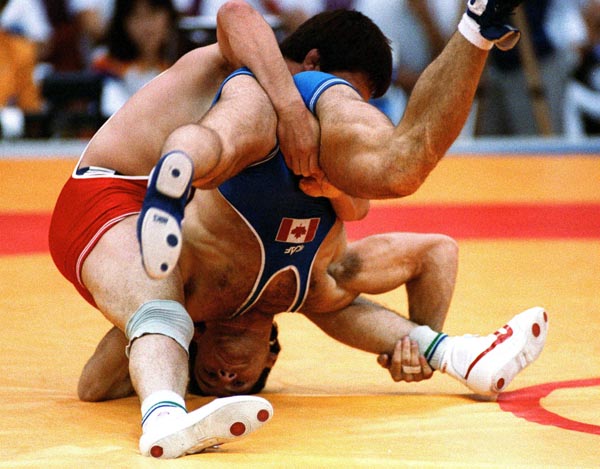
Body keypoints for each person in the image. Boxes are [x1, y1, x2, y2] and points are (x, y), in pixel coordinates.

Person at [49, 0, 536, 459]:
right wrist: (290, 109)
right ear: (313, 60)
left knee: (391, 175)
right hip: (114, 191)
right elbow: (237, 12)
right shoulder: (256, 71)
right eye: (343, 92)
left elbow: (363, 208)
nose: (334, 111)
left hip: (210, 214)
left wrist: (334, 190)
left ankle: (477, 26)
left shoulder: (287, 279)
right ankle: (163, 415)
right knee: (164, 301)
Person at [91, 0, 181, 117]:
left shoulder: (183, 64)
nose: (146, 25)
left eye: (153, 13)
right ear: (123, 22)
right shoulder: (106, 64)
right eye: (136, 16)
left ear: (169, 15)